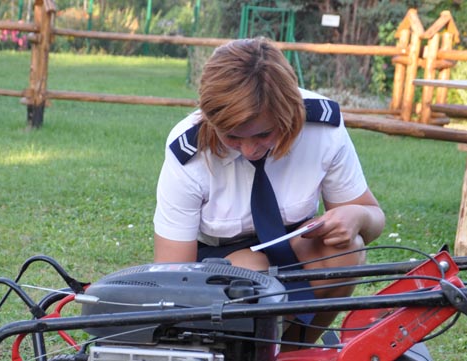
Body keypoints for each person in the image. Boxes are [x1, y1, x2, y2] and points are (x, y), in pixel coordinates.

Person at [153, 37, 385, 344]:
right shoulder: (188, 152)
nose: (250, 150)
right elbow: (174, 276)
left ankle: (296, 352)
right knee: (252, 272)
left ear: (289, 112)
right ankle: (241, 357)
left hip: (293, 246)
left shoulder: (322, 128)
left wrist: (356, 217)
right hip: (214, 266)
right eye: (232, 137)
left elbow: (374, 217)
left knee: (348, 251)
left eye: (264, 133)